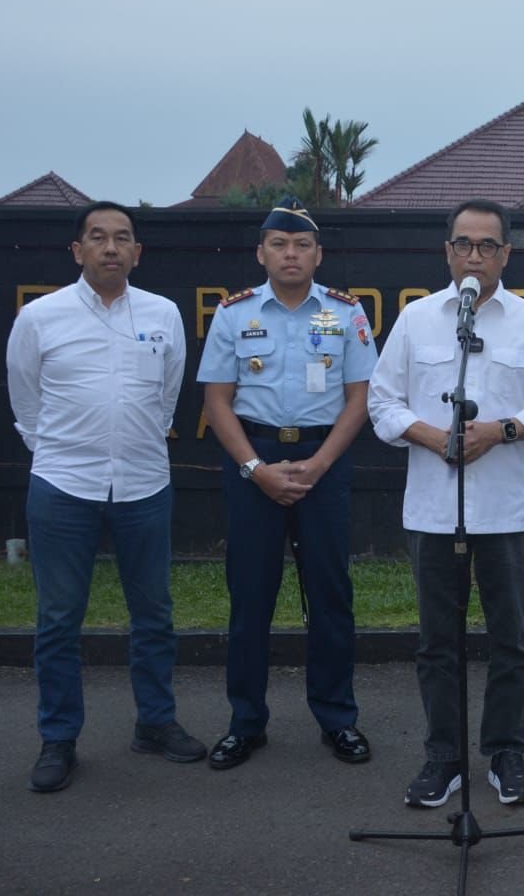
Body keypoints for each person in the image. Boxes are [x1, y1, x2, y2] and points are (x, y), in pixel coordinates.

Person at [368, 199, 524, 806]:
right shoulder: (416, 319)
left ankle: (506, 752)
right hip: (434, 508)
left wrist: (503, 430)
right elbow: (382, 403)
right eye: (464, 244)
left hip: (506, 510)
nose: (475, 256)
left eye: (488, 245)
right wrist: (434, 437)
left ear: (506, 253)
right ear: (447, 252)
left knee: (511, 640)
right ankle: (444, 757)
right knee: (438, 642)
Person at [6, 201, 205, 792]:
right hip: (64, 485)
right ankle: (59, 738)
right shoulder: (41, 317)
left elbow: (167, 398)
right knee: (60, 619)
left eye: (122, 238)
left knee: (154, 615)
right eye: (98, 237)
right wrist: (63, 453)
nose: (111, 247)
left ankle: (156, 722)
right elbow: (26, 404)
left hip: (144, 483)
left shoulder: (163, 314)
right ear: (78, 250)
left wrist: (129, 444)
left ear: (137, 252)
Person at [197, 197, 376, 771]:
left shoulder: (347, 314)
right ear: (261, 253)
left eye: (302, 245)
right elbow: (217, 402)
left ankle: (338, 718)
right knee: (250, 598)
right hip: (255, 460)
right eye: (280, 244)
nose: (291, 254)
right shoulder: (234, 314)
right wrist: (256, 469)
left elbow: (360, 399)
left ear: (318, 254)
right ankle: (245, 722)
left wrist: (320, 464)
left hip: (324, 459)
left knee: (330, 595)